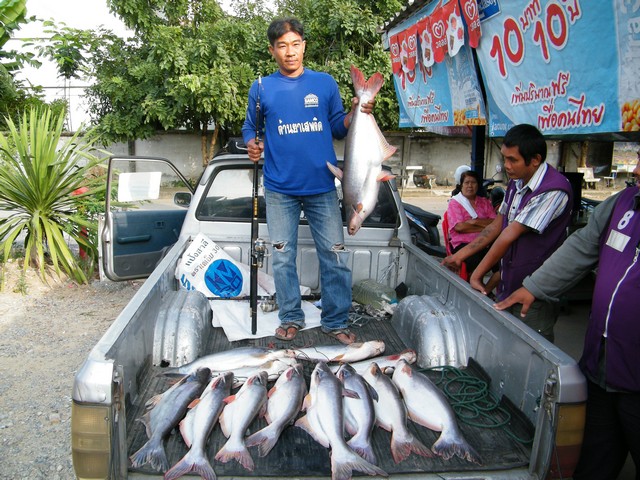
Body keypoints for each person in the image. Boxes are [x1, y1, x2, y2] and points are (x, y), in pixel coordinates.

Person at [494, 157, 640, 480]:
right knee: (591, 465)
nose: (637, 170)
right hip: (601, 370)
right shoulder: (623, 203)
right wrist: (533, 287)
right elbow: (581, 248)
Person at [241, 17, 375, 345]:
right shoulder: (261, 87)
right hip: (278, 188)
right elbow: (249, 127)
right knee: (283, 257)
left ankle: (335, 320)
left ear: (304, 45)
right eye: (282, 45)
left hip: (323, 187)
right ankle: (290, 317)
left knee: (335, 254)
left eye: (295, 44)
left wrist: (358, 111)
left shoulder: (325, 83)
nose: (290, 52)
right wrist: (251, 143)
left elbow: (339, 127)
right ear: (272, 50)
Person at [441, 124, 573, 342]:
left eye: (513, 160)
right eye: (504, 158)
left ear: (535, 160)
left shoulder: (553, 190)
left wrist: (476, 275)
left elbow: (508, 234)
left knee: (531, 348)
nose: (506, 166)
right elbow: (496, 225)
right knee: (507, 344)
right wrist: (458, 256)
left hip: (534, 289)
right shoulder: (516, 182)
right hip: (510, 281)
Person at [445, 169, 497, 275]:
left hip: (485, 242)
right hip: (463, 244)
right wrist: (486, 227)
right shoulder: (455, 203)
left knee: (501, 259)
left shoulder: (484, 202)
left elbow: (495, 222)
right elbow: (460, 227)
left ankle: (486, 289)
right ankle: (474, 286)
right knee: (476, 259)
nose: (470, 186)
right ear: (461, 185)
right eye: (466, 183)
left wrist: (473, 222)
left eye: (473, 182)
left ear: (478, 185)